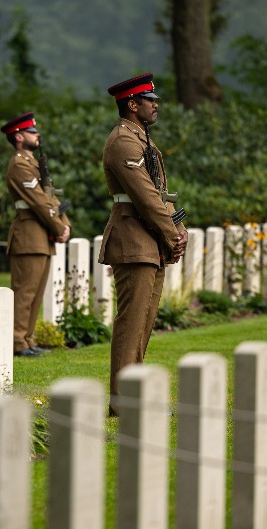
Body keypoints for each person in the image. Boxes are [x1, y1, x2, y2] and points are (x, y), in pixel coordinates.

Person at [98, 73, 187, 416]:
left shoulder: (144, 141)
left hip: (149, 239)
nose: (156, 105)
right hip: (133, 238)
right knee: (131, 322)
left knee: (145, 322)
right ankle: (122, 401)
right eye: (150, 101)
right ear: (132, 105)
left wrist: (179, 229)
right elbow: (145, 197)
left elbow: (161, 194)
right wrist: (171, 234)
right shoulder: (123, 141)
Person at [0, 112, 70, 358]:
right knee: (25, 292)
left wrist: (65, 222)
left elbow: (50, 196)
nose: (37, 135)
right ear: (19, 137)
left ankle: (27, 339)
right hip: (28, 235)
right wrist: (59, 228)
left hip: (41, 235)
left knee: (36, 292)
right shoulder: (19, 164)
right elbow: (39, 202)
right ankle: (17, 341)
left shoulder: (32, 163)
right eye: (31, 132)